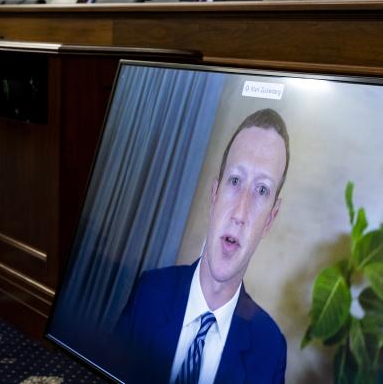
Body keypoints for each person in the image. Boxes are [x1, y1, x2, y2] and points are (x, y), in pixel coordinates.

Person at [114, 108, 289, 384]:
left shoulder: (271, 350)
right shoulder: (149, 292)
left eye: (262, 190)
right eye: (235, 181)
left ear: (270, 219)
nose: (240, 213)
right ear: (214, 194)